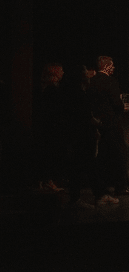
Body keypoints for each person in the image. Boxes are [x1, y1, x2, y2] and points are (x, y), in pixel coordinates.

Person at [63, 64, 118, 208]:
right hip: (83, 135)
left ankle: (91, 196)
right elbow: (86, 117)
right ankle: (95, 196)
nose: (89, 75)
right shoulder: (80, 95)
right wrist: (99, 124)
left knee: (84, 167)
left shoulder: (72, 93)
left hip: (77, 135)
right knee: (87, 166)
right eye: (86, 73)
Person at [88, 56, 129, 195]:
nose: (114, 68)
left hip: (98, 123)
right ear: (106, 66)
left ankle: (103, 186)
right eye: (112, 65)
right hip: (111, 123)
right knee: (119, 154)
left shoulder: (91, 81)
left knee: (102, 156)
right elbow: (117, 104)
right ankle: (121, 187)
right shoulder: (110, 81)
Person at [36, 62, 67, 192]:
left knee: (48, 154)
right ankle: (48, 181)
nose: (63, 73)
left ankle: (46, 181)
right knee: (50, 155)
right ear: (55, 73)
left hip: (48, 127)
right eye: (61, 71)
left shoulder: (46, 88)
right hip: (52, 128)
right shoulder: (52, 90)